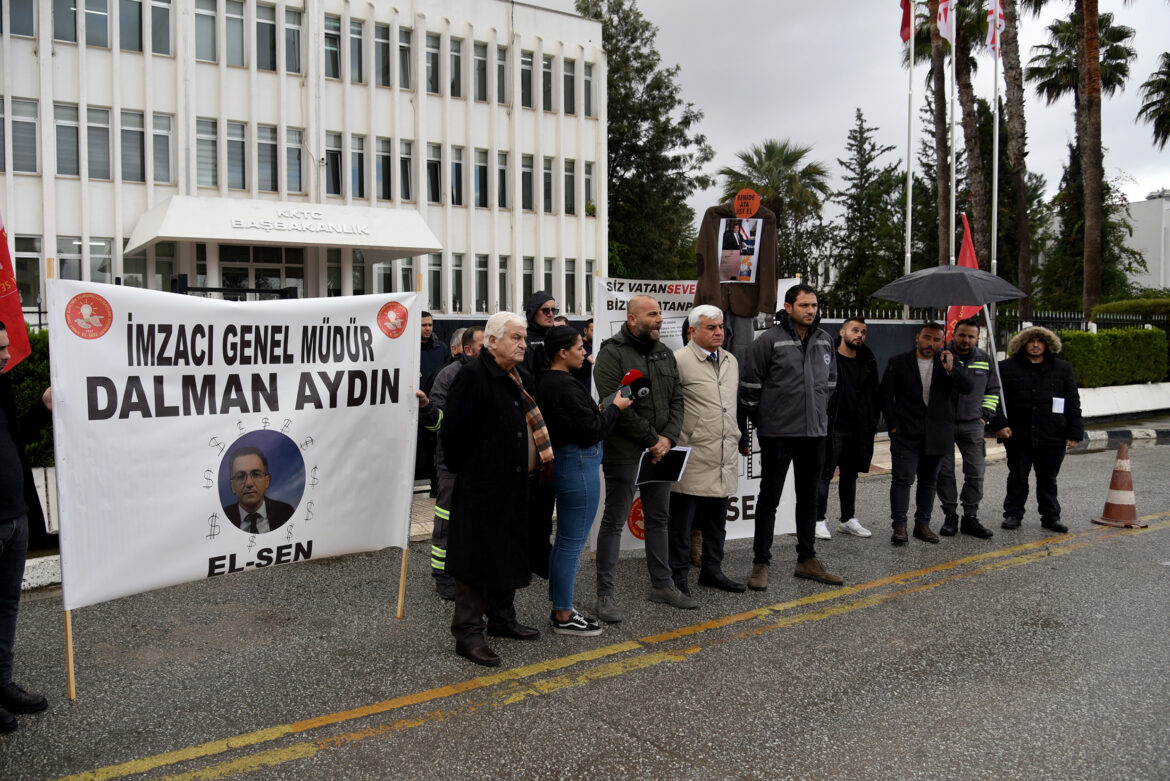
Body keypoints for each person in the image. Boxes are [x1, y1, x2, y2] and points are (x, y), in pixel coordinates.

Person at [441, 312, 548, 667]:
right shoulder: (473, 377)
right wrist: (477, 472)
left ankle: (502, 619)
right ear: (491, 342)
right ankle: (468, 633)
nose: (522, 344)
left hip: (515, 482)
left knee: (508, 552)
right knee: (475, 560)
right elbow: (453, 437)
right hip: (482, 487)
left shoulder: (517, 375)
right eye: (515, 338)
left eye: (524, 337)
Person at [739, 284, 841, 589]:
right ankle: (760, 563)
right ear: (788, 306)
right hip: (778, 434)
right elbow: (749, 388)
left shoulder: (825, 341)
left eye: (814, 305)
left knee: (810, 498)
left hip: (814, 432)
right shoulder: (769, 340)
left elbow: (831, 383)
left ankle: (807, 559)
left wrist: (818, 414)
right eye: (805, 305)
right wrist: (764, 421)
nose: (811, 310)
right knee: (769, 498)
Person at [593, 295, 690, 620]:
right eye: (652, 314)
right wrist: (653, 439)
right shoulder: (612, 353)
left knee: (659, 519)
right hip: (625, 453)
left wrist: (668, 438)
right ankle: (605, 595)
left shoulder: (664, 353)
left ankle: (662, 585)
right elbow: (612, 403)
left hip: (661, 452)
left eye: (660, 313)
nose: (660, 319)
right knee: (614, 521)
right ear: (632, 319)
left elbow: (678, 398)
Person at [537, 326, 632, 635]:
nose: (584, 352)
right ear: (562, 352)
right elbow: (590, 431)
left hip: (569, 463)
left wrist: (602, 409)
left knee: (565, 540)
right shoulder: (563, 385)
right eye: (580, 347)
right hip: (578, 464)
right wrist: (615, 409)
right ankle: (563, 614)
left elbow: (581, 421)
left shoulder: (550, 382)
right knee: (570, 542)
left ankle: (560, 606)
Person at [668, 306, 747, 596]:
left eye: (720, 327)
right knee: (681, 523)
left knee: (717, 521)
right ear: (692, 331)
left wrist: (739, 437)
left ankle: (712, 570)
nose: (718, 332)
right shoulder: (678, 361)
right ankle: (676, 579)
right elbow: (666, 406)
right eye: (711, 327)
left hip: (723, 453)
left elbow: (732, 405)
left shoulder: (731, 361)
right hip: (692, 453)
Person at [0, 321, 50, 733]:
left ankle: (2, 684)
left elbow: (17, 440)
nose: (6, 354)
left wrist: (43, 407)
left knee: (7, 607)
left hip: (15, 519)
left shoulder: (2, 388)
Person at [882, 322, 973, 545]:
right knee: (902, 479)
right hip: (906, 432)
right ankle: (899, 526)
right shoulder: (899, 362)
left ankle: (922, 524)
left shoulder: (949, 361)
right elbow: (885, 395)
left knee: (929, 481)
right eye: (927, 338)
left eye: (936, 340)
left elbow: (968, 387)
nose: (930, 343)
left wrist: (952, 368)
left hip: (937, 433)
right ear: (918, 337)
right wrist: (893, 424)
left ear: (942, 342)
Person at [993, 326, 1084, 533]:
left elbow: (1072, 401)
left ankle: (1051, 516)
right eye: (1030, 341)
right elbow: (995, 398)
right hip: (1018, 434)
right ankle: (1013, 514)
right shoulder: (1005, 368)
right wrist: (999, 424)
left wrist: (1074, 432)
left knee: (1048, 479)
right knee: (1017, 476)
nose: (1035, 345)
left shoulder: (1062, 368)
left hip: (1053, 434)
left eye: (1039, 341)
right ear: (1022, 344)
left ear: (1047, 344)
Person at [426, 326, 484, 600]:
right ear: (467, 349)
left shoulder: (495, 373)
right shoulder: (448, 375)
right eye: (485, 346)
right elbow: (436, 421)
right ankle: (442, 575)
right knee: (447, 520)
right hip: (453, 461)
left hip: (482, 461)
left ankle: (469, 568)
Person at [815, 317, 881, 540]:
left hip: (858, 427)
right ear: (842, 333)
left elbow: (873, 394)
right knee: (824, 474)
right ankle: (818, 520)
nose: (860, 335)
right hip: (832, 425)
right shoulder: (828, 357)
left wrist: (872, 420)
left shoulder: (868, 360)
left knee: (850, 475)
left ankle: (847, 519)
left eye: (863, 332)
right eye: (855, 330)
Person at [936, 317, 999, 539]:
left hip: (973, 424)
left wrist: (985, 417)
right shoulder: (941, 354)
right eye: (962, 335)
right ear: (954, 334)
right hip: (943, 423)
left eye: (971, 336)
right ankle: (950, 515)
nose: (966, 340)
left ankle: (970, 517)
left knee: (976, 472)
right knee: (944, 473)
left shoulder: (984, 359)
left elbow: (993, 390)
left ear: (977, 338)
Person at [522, 291, 559, 578]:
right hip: (533, 427)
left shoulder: (556, 335)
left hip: (555, 427)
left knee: (547, 497)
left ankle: (541, 552)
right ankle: (528, 553)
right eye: (545, 310)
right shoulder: (526, 339)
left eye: (553, 310)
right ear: (533, 311)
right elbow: (528, 381)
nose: (550, 314)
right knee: (531, 498)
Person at [222, 446, 295, 533]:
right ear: (232, 486)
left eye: (256, 474)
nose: (249, 483)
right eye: (241, 476)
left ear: (267, 481)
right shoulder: (222, 519)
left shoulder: (285, 512)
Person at [571, 317, 595, 389]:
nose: (596, 333)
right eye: (593, 330)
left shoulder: (601, 345)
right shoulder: (576, 345)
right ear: (585, 330)